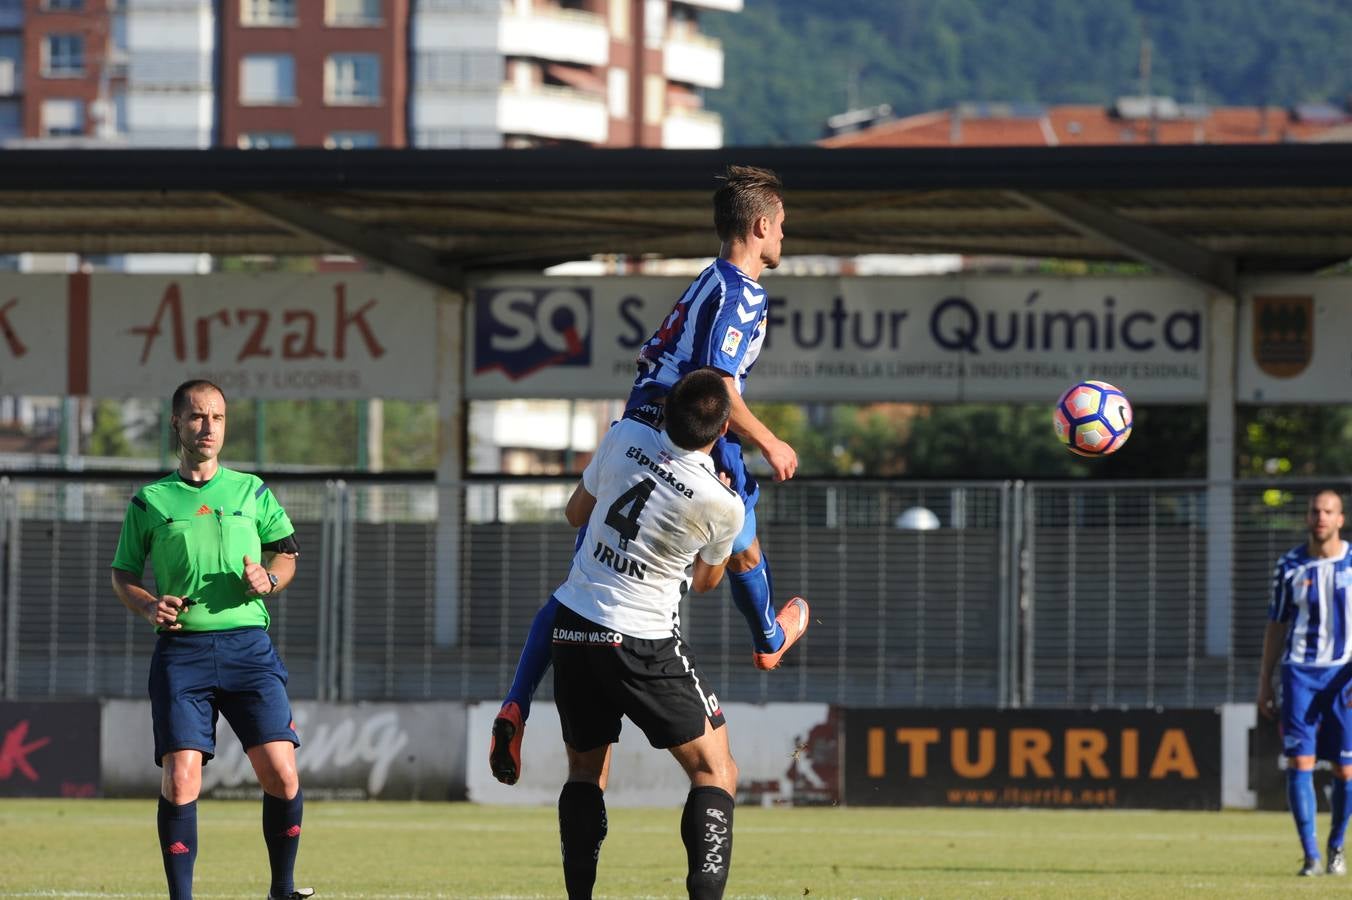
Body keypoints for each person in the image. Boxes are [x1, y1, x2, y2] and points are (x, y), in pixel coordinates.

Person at [490, 164, 809, 786]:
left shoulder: (708, 277)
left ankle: (516, 701)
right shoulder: (742, 293)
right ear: (763, 225)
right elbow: (717, 384)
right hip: (688, 428)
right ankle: (768, 634)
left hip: (633, 428)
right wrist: (769, 440)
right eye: (781, 230)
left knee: (576, 589)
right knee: (737, 546)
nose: (781, 241)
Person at [549, 368, 772, 899]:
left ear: (666, 409)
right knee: (716, 772)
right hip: (642, 640)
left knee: (584, 771)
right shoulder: (721, 503)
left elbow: (573, 513)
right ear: (722, 434)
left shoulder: (622, 435)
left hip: (576, 624)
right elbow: (706, 582)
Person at [110, 379, 312, 900]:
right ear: (176, 423)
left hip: (249, 650)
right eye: (198, 417)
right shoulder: (150, 501)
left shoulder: (252, 491)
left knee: (282, 777)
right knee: (181, 781)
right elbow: (123, 574)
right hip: (183, 654)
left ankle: (282, 891)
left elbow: (286, 554)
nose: (208, 427)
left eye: (217, 418)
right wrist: (148, 603)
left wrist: (270, 578)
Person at [1258, 488, 1352, 877]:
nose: (1320, 517)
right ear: (1307, 517)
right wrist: (1264, 680)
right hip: (1299, 674)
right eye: (1315, 511)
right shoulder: (1290, 566)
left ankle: (1335, 847)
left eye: (1328, 511)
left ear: (1340, 519)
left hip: (1344, 676)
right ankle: (1311, 855)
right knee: (1300, 761)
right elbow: (1276, 625)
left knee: (1346, 770)